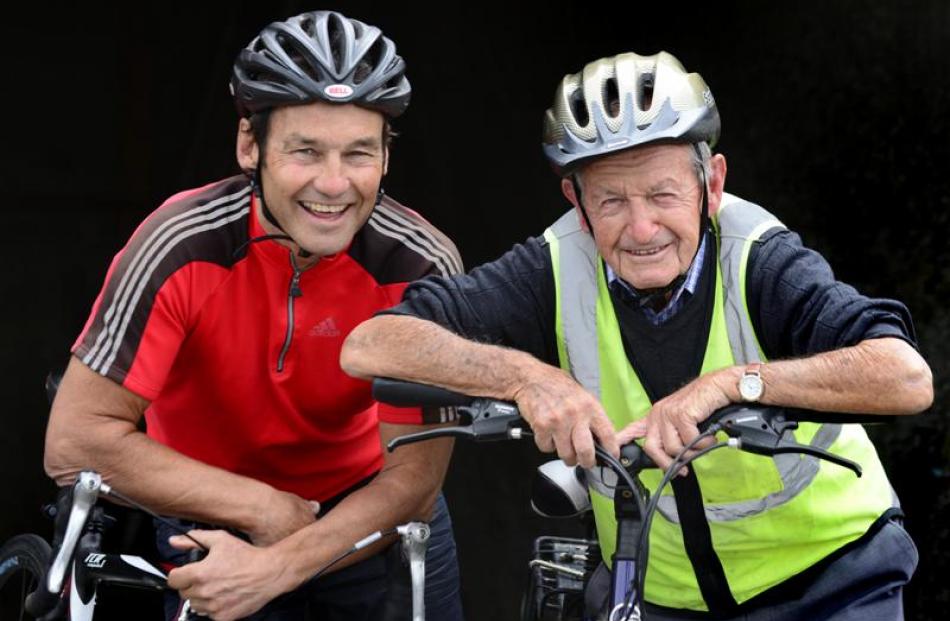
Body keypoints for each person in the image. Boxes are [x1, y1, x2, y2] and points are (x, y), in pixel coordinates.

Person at [340, 51, 933, 619]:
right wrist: (526, 378)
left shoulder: (759, 258)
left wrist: (733, 385)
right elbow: (369, 344)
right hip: (662, 598)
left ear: (713, 183)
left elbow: (905, 378)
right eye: (612, 200)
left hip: (830, 581)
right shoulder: (555, 266)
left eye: (663, 194)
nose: (642, 227)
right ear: (577, 201)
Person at [44, 10, 464, 621]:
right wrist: (261, 507)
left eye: (358, 154)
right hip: (217, 517)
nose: (333, 183)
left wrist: (282, 562)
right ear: (250, 145)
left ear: (386, 157)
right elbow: (74, 441)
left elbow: (415, 480)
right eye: (305, 151)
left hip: (373, 517)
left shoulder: (420, 264)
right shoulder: (177, 245)